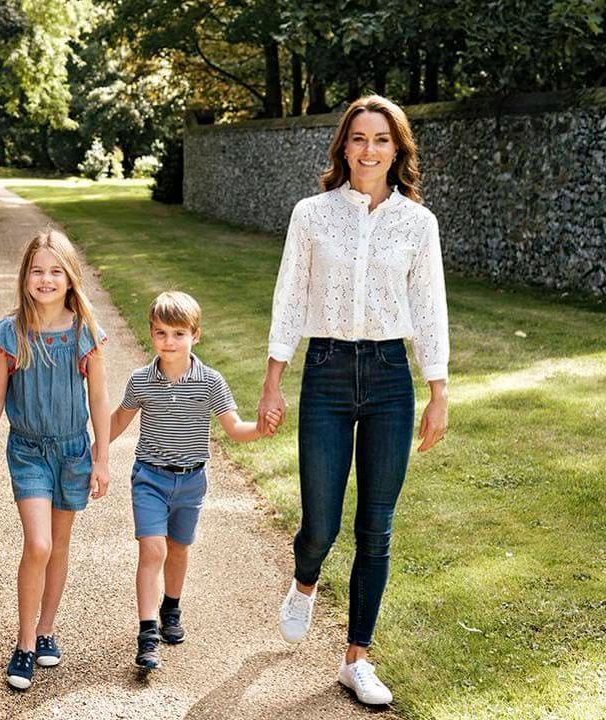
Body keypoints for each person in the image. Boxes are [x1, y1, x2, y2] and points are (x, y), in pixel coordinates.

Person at [258, 94, 449, 706]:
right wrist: (272, 379)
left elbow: (429, 310)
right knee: (321, 523)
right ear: (343, 145)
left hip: (392, 376)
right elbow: (290, 296)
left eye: (382, 140)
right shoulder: (311, 214)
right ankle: (305, 580)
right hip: (327, 371)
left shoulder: (417, 224)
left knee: (376, 526)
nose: (370, 150)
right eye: (359, 138)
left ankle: (357, 658)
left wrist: (437, 390)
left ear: (398, 150)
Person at [106, 291, 276, 671]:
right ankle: (147, 634)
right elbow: (117, 421)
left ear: (195, 335)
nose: (169, 342)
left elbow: (233, 428)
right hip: (149, 478)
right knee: (153, 551)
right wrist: (94, 452)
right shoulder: (140, 381)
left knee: (179, 549)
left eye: (178, 334)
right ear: (151, 334)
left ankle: (171, 607)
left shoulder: (210, 381)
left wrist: (260, 430)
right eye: (161, 333)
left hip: (192, 482)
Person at [0, 229, 111, 691]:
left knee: (58, 545)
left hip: (74, 451)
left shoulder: (84, 332)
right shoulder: (10, 332)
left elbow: (98, 397)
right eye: (37, 270)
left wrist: (101, 456)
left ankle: (46, 628)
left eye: (56, 271)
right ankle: (23, 643)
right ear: (25, 277)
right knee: (37, 545)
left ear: (70, 278)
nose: (45, 278)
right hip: (29, 451)